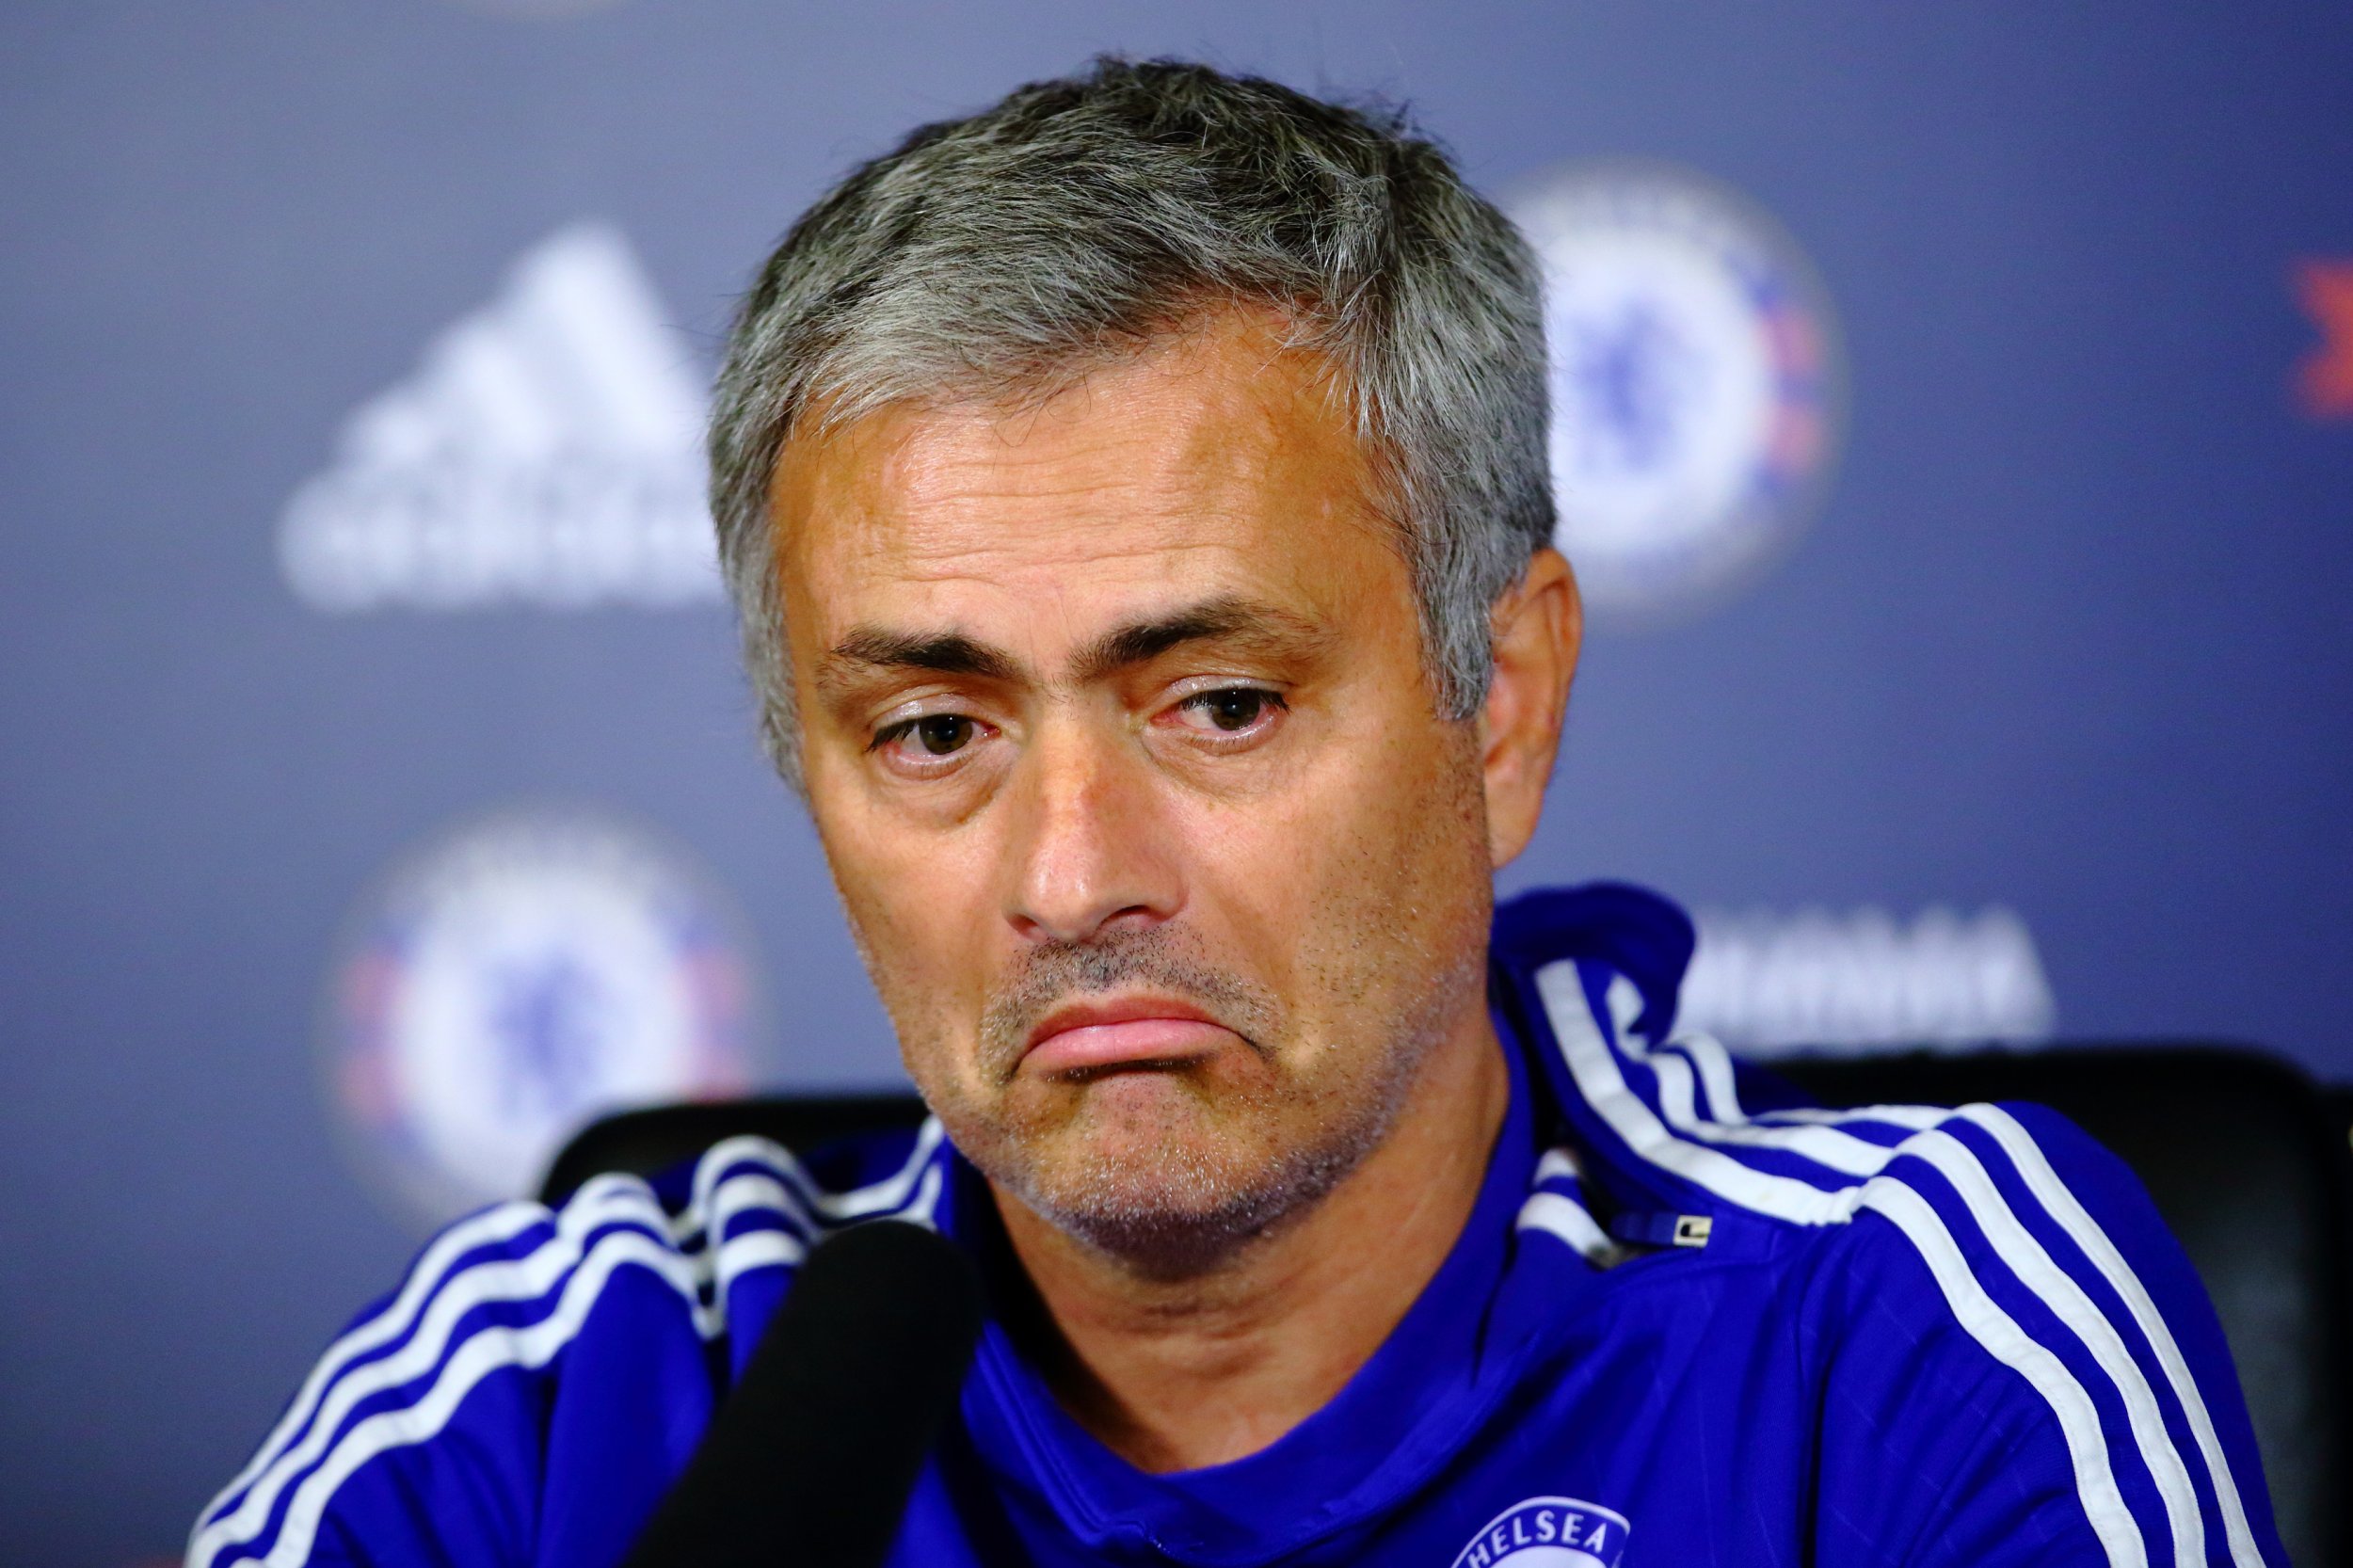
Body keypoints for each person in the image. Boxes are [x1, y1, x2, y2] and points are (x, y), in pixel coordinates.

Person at [190, 58, 2281, 1568]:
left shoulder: (1907, 1343)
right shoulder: (549, 1400)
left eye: (1214, 701)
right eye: (933, 732)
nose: (1071, 874)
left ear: (1500, 702)